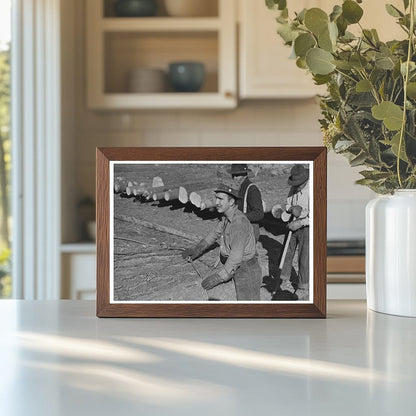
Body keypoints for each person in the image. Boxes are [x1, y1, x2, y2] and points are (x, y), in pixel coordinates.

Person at [181, 182, 262, 301]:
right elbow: (214, 234)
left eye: (220, 199)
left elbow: (235, 257)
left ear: (231, 202)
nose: (217, 202)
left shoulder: (239, 223)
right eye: (216, 198)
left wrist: (219, 277)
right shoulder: (226, 217)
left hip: (246, 268)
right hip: (238, 265)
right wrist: (197, 249)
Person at [271, 164, 309, 296]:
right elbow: (288, 203)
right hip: (292, 223)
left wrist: (301, 220)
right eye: (295, 183)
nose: (297, 185)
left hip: (307, 226)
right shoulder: (293, 188)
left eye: (299, 183)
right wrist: (289, 210)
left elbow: (317, 214)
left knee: (304, 256)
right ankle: (283, 279)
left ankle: (303, 287)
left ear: (305, 180)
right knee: (286, 252)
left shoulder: (312, 190)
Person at [227, 164, 264, 241]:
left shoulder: (252, 189)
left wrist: (240, 216)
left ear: (244, 175)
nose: (234, 178)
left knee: (246, 252)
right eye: (233, 175)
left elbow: (259, 214)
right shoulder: (236, 188)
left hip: (249, 228)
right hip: (236, 227)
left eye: (237, 176)